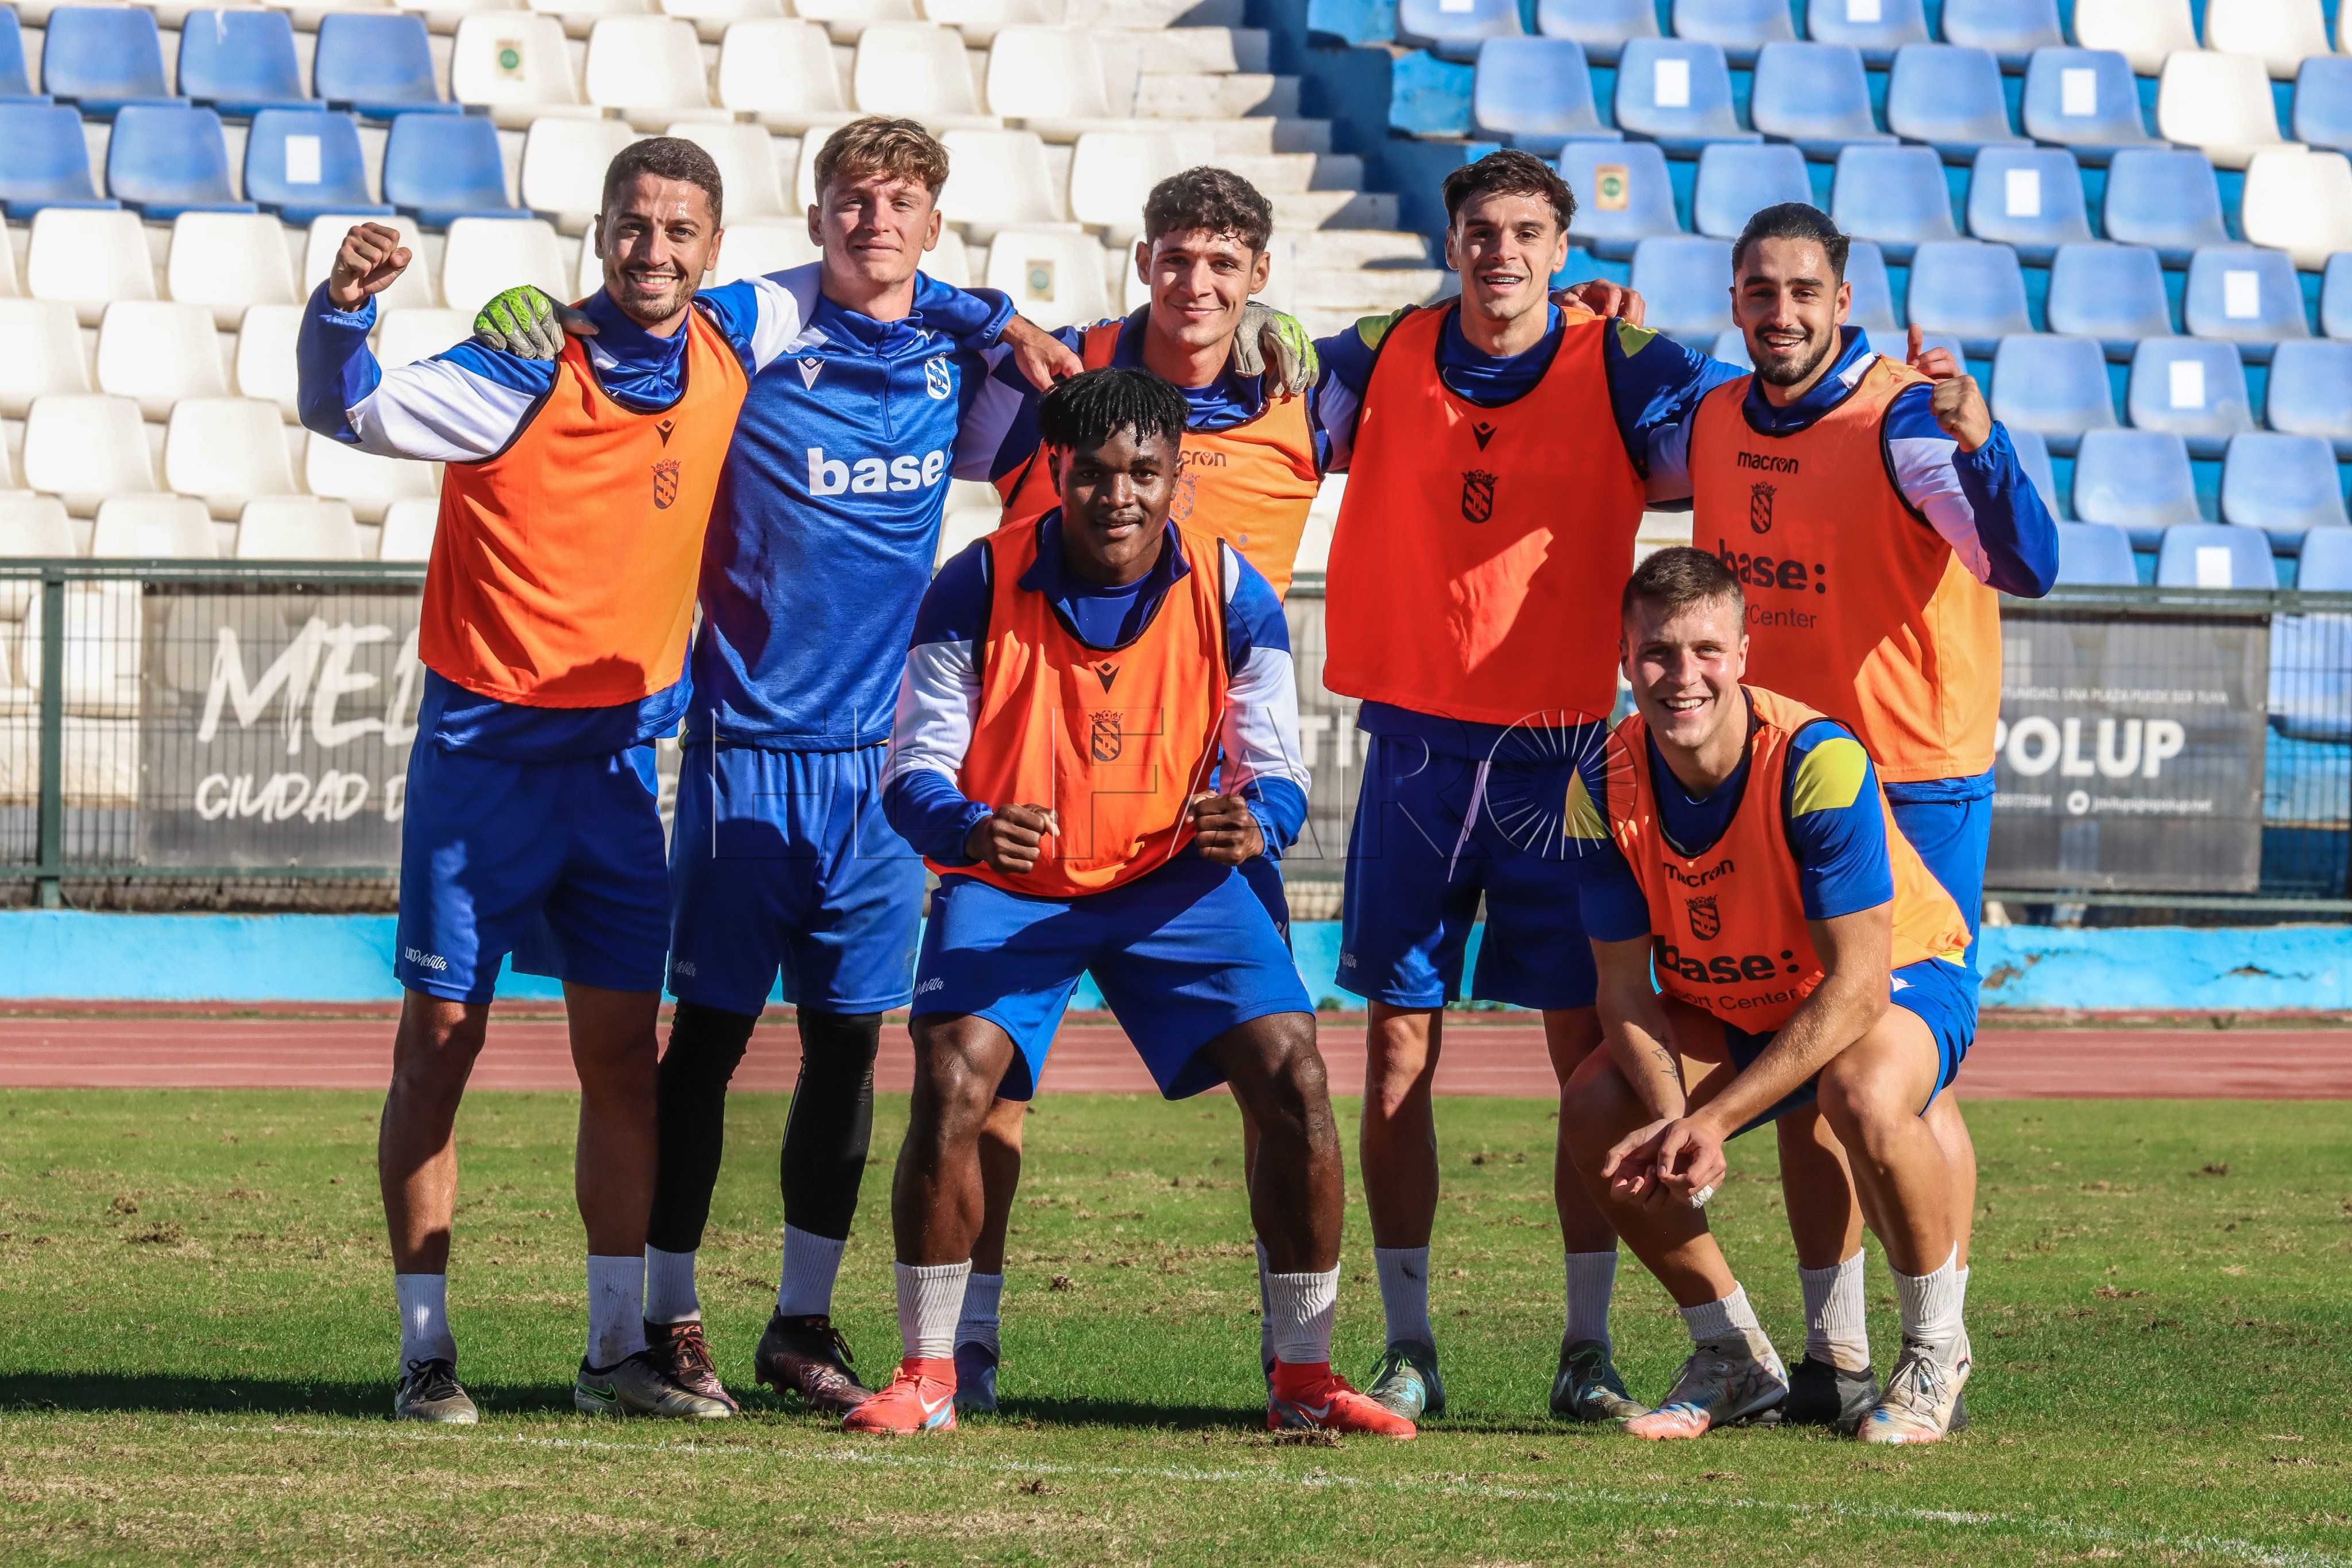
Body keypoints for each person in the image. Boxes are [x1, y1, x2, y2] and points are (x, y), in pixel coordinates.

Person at [945, 164, 1642, 1414]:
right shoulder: (1063, 372)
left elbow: (1467, 386)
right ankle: (965, 1344)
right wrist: (987, 317)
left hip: (1207, 814)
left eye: (1222, 263)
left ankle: (1308, 1362)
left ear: (1259, 275)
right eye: (1174, 258)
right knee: (987, 1081)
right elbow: (913, 408)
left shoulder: (1303, 390)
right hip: (1039, 795)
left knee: (1285, 1082)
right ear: (1141, 261)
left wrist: (1578, 314)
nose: (1196, 284)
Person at [448, 116, 1082, 1415]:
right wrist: (532, 311)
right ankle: (672, 1319)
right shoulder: (750, 327)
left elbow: (1064, 394)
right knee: (710, 1049)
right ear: (815, 217)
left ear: (931, 220)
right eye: (852, 200)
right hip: (747, 752)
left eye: (900, 201)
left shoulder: (952, 358)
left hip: (880, 770)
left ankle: (801, 1319)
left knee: (851, 1051)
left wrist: (999, 313)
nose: (873, 222)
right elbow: (637, 307)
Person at [862, 367, 1408, 1437]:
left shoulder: (1232, 588)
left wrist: (1259, 822)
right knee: (952, 1077)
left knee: (1296, 1074)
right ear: (1057, 475)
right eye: (1097, 474)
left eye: (1145, 473)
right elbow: (912, 767)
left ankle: (1303, 1380)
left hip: (1175, 881)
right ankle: (930, 1377)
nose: (1121, 496)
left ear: (1177, 482)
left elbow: (1278, 766)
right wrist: (970, 827)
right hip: (1017, 878)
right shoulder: (973, 583)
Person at [296, 138, 749, 1422]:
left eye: (678, 230)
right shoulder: (518, 361)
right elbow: (348, 408)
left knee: (622, 1054)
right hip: (482, 764)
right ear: (599, 232)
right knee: (441, 1045)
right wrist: (345, 306)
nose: (652, 250)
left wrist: (992, 314)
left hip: (614, 771)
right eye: (632, 225)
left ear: (712, 250)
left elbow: (867, 279)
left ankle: (614, 1356)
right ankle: (424, 1352)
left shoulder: (731, 347)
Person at [1310, 148, 1741, 1422]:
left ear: (1562, 249)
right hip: (1413, 746)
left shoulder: (1621, 361)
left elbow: (1739, 411)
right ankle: (1406, 1346)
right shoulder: (1378, 351)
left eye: (1525, 233)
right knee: (1394, 1052)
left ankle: (1584, 1347)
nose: (1500, 253)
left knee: (1588, 1058)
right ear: (1450, 245)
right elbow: (1251, 356)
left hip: (1561, 756)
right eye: (1480, 231)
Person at [1646, 201, 2057, 1429]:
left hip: (1907, 780)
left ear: (1841, 299)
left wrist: (1982, 450)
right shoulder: (1714, 415)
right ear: (1733, 303)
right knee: (1804, 1051)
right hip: (1771, 776)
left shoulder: (1903, 421)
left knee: (1881, 1079)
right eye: (1757, 292)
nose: (1780, 313)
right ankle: (1830, 1357)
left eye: (1802, 292)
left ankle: (1933, 1350)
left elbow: (2021, 563)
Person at [1564, 546, 1978, 1446]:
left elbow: (1858, 988)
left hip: (1900, 973)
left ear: (1745, 654)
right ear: (1626, 658)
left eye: (1707, 650)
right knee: (1599, 1103)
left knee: (1860, 1091)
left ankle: (1933, 1351)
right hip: (1746, 996)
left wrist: (1713, 1126)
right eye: (1659, 654)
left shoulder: (1816, 759)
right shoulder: (1599, 780)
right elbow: (1625, 991)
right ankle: (1732, 1356)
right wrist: (1676, 1116)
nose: (1684, 676)